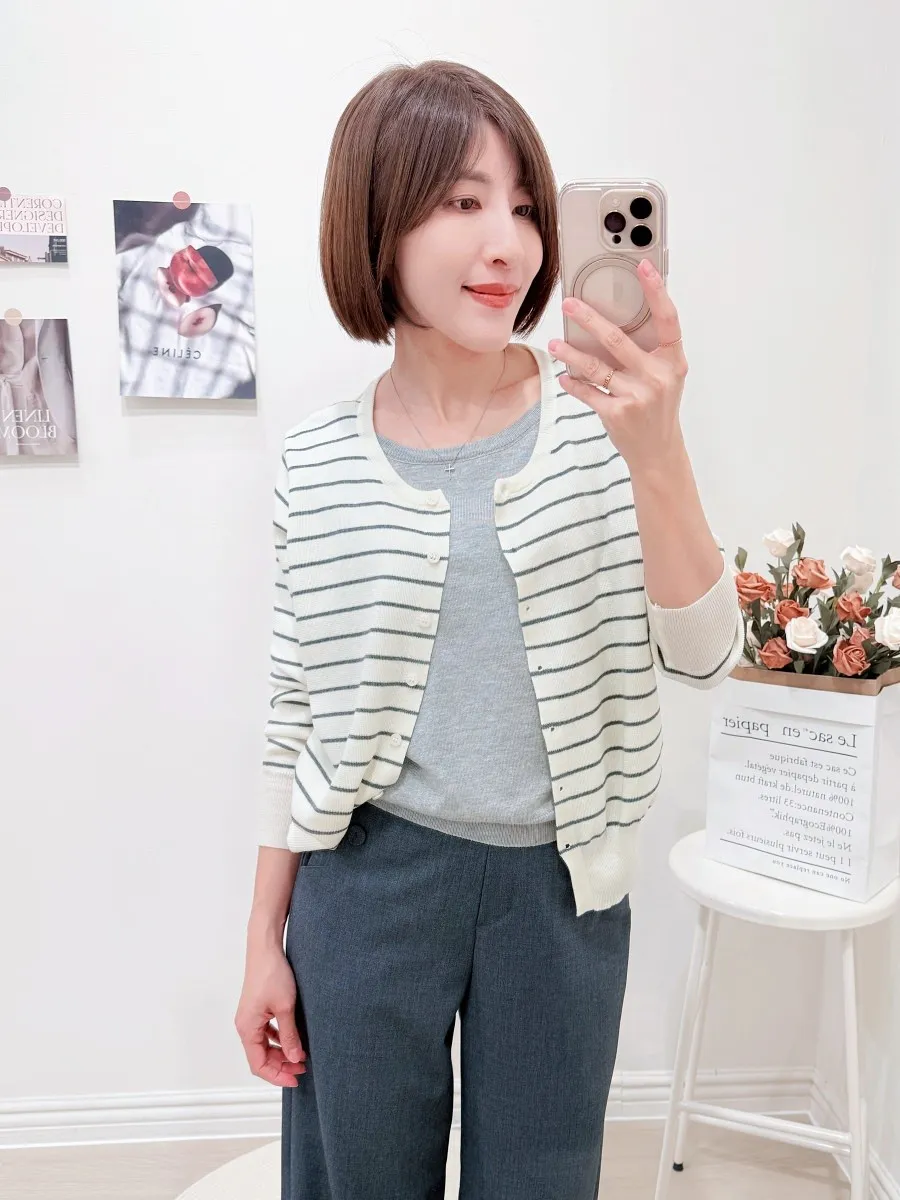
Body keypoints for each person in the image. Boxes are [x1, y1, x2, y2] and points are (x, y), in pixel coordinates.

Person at [234, 59, 744, 1200]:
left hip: (557, 894)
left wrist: (659, 451)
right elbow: (295, 714)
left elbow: (706, 652)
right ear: (378, 222)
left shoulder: (607, 422)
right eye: (463, 201)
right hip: (368, 881)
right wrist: (264, 939)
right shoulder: (317, 463)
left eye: (523, 205)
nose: (506, 242)